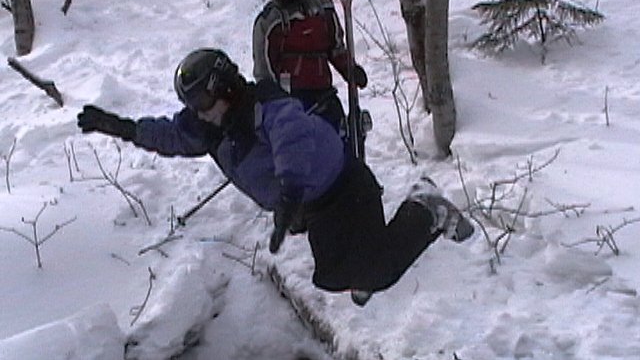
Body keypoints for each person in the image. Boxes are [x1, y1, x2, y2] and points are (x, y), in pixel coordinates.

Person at [76, 48, 473, 306]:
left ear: (224, 88)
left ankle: (425, 208)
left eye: (201, 101)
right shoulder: (210, 126)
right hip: (314, 207)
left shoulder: (266, 106)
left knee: (375, 272)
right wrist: (122, 128)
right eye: (190, 104)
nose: (196, 111)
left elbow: (292, 140)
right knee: (333, 275)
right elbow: (170, 135)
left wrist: (289, 191)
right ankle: (365, 262)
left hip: (343, 186)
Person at [253, 0, 368, 133]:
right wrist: (275, 104)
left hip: (324, 93)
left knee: (339, 142)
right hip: (290, 101)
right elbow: (264, 72)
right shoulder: (268, 21)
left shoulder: (322, 6)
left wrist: (350, 70)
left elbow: (335, 47)